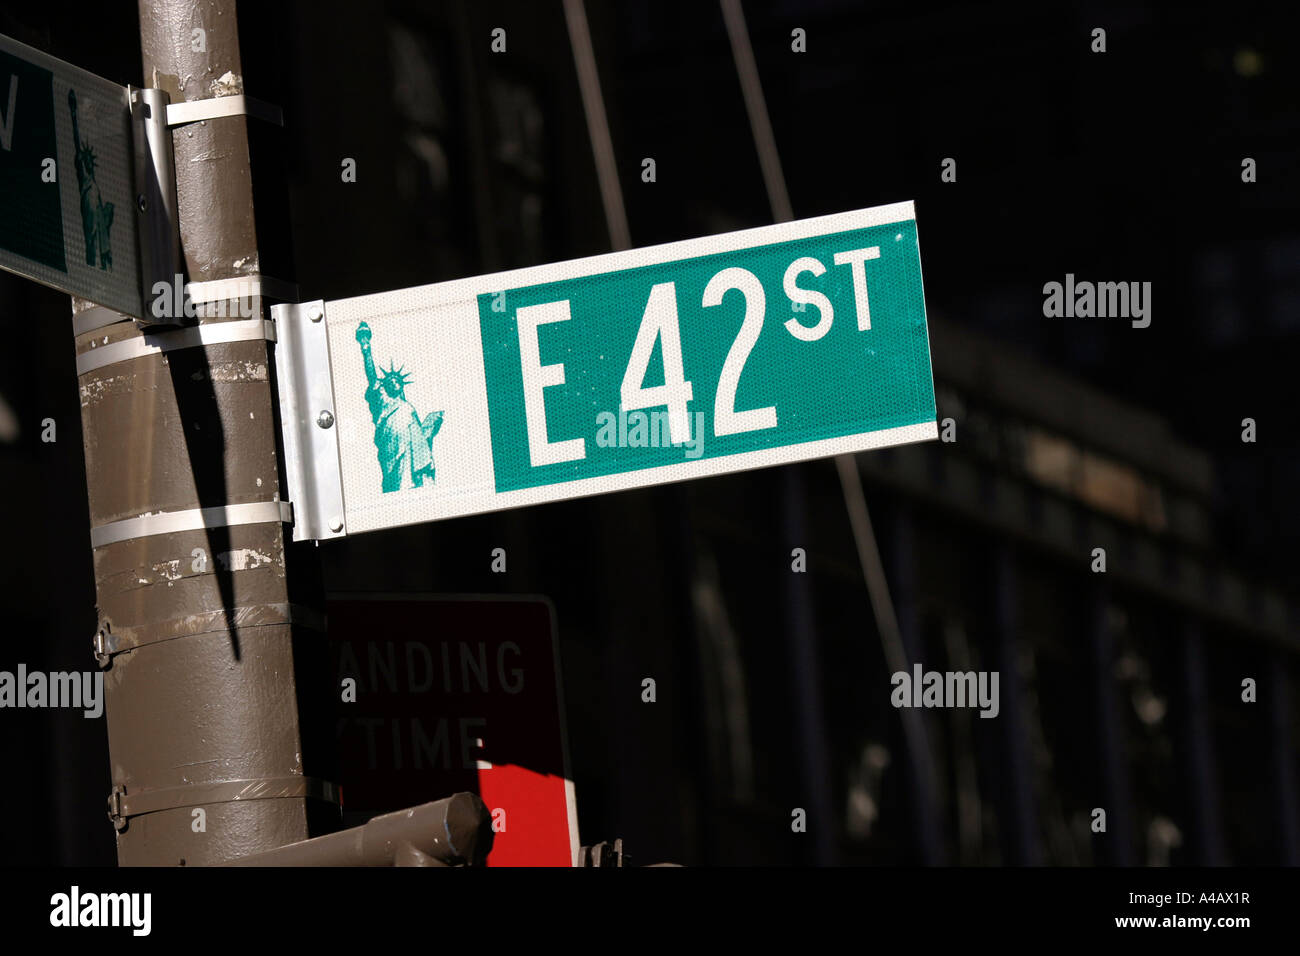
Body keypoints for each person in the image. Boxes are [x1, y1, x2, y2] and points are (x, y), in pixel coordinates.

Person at [355, 322, 443, 492]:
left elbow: (421, 439)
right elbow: (371, 373)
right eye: (391, 380)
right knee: (395, 479)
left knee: (413, 476)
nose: (395, 382)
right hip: (390, 447)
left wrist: (430, 425)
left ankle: (418, 480)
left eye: (398, 381)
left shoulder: (406, 406)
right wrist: (365, 346)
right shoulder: (381, 398)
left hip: (412, 455)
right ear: (385, 384)